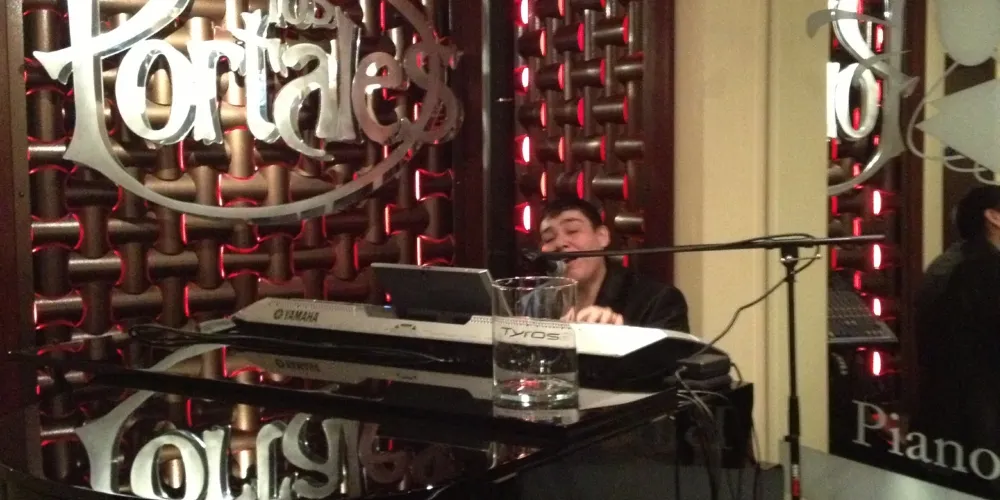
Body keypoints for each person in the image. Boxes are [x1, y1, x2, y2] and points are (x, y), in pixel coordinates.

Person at [911, 185, 1000, 460]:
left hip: (942, 416)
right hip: (977, 423)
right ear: (994, 217)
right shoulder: (984, 269)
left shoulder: (948, 262)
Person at [537, 197, 690, 331]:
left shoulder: (658, 301)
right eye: (549, 238)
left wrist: (617, 335)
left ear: (602, 236)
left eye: (572, 230)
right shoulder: (535, 303)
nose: (560, 243)